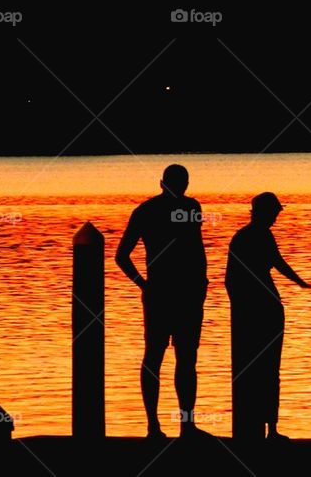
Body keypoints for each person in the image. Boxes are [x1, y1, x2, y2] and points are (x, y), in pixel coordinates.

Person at [115, 164, 209, 439]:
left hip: (177, 294)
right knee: (167, 358)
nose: (183, 188)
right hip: (172, 294)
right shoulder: (181, 209)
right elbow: (122, 255)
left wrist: (145, 285)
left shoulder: (153, 211)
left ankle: (175, 426)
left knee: (174, 358)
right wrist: (144, 284)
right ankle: (164, 426)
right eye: (181, 183)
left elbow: (195, 248)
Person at [225, 192, 311, 440]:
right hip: (259, 310)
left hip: (266, 308)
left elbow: (276, 263)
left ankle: (269, 427)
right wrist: (242, 308)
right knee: (261, 368)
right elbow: (234, 278)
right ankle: (258, 427)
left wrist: (300, 282)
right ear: (263, 212)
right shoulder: (248, 237)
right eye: (274, 212)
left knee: (266, 368)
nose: (276, 217)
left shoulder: (254, 235)